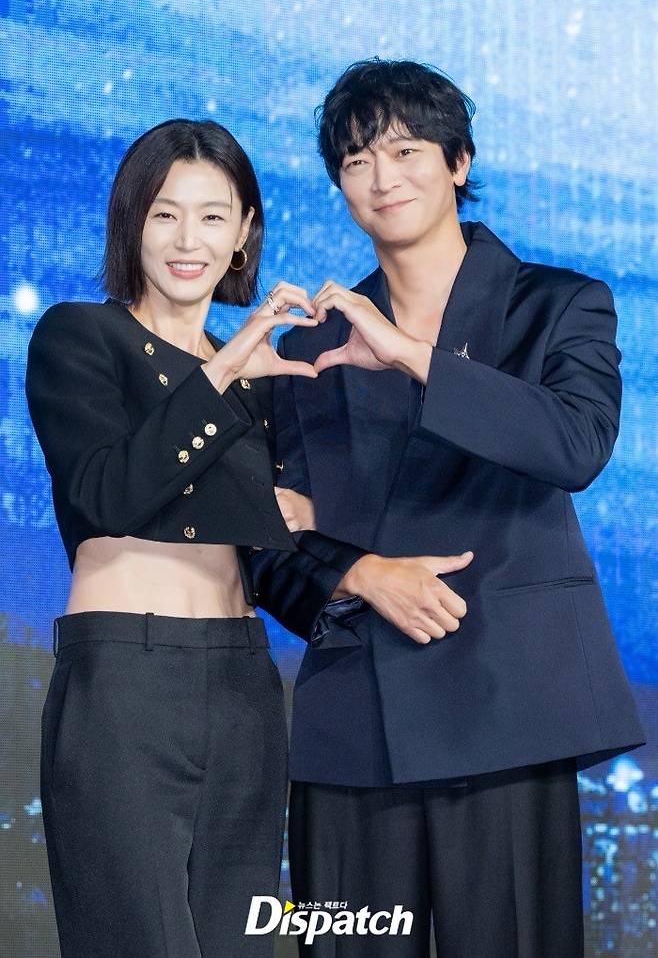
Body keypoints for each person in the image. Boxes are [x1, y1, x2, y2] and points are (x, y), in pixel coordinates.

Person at [251, 60, 645, 957]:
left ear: (458, 161)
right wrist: (358, 571)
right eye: (356, 161)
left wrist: (412, 356)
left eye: (405, 151)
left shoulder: (558, 304)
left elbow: (576, 444)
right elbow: (268, 532)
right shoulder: (310, 341)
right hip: (353, 720)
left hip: (507, 708)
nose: (382, 178)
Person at [24, 118, 359, 958]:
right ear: (131, 221)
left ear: (244, 231)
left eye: (213, 216)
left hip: (244, 684)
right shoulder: (78, 335)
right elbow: (109, 492)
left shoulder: (258, 377)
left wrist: (349, 553)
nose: (188, 240)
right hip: (126, 679)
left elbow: (269, 555)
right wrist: (223, 369)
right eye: (164, 214)